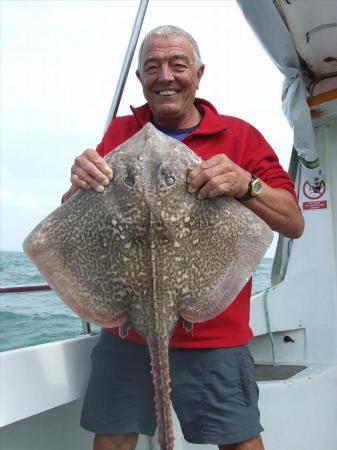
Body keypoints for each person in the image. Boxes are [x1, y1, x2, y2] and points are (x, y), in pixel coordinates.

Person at [62, 25, 304, 450]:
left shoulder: (239, 136)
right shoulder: (122, 131)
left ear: (199, 73)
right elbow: (78, 213)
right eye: (152, 67)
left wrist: (247, 183)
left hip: (214, 333)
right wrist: (79, 181)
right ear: (140, 79)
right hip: (130, 329)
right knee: (113, 436)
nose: (166, 75)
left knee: (238, 440)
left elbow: (293, 222)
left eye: (178, 64)